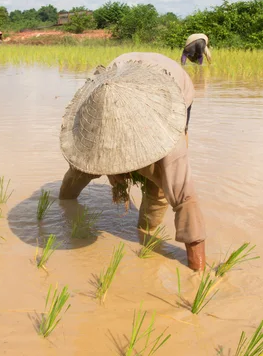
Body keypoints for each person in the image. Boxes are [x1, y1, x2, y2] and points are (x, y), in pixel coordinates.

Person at [59, 52, 206, 271]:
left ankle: (147, 227)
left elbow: (186, 201)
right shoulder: (101, 101)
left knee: (160, 188)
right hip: (122, 74)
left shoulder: (170, 146)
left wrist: (198, 271)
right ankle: (64, 198)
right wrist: (64, 208)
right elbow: (86, 153)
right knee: (84, 165)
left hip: (172, 87)